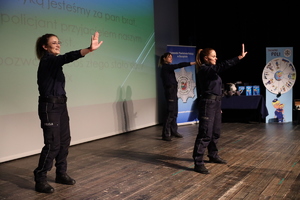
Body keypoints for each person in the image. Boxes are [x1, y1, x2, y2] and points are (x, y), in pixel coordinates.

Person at [34, 32, 103, 193]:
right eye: (54, 43)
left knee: (64, 142)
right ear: (45, 47)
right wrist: (88, 50)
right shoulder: (48, 60)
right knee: (52, 145)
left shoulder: (53, 63)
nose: (58, 45)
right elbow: (66, 58)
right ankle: (40, 178)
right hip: (49, 107)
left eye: (59, 42)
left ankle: (61, 173)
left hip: (61, 106)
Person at [193, 44, 247, 174]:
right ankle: (198, 162)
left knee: (215, 132)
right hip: (208, 103)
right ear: (206, 58)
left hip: (216, 104)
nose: (216, 58)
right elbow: (222, 66)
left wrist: (219, 106)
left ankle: (213, 155)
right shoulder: (205, 70)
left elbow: (216, 89)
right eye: (213, 56)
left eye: (216, 56)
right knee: (205, 133)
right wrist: (238, 58)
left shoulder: (212, 71)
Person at [159, 52, 196, 141]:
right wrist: (191, 63)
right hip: (170, 91)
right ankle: (165, 134)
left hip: (173, 91)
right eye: (169, 57)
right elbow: (179, 65)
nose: (171, 58)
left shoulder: (168, 68)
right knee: (170, 112)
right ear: (164, 58)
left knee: (174, 112)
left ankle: (174, 131)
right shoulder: (165, 67)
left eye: (171, 57)